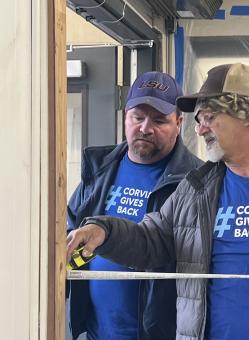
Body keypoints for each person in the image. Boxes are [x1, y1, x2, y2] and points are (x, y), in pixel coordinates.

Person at [67, 63, 249, 340]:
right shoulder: (194, 189)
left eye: (210, 117)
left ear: (246, 116)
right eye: (198, 120)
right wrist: (103, 231)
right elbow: (152, 240)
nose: (199, 129)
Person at [66, 71, 203, 340]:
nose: (145, 128)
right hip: (96, 331)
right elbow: (70, 233)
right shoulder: (99, 169)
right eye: (137, 117)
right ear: (125, 116)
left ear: (178, 122)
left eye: (159, 120)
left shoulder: (197, 181)